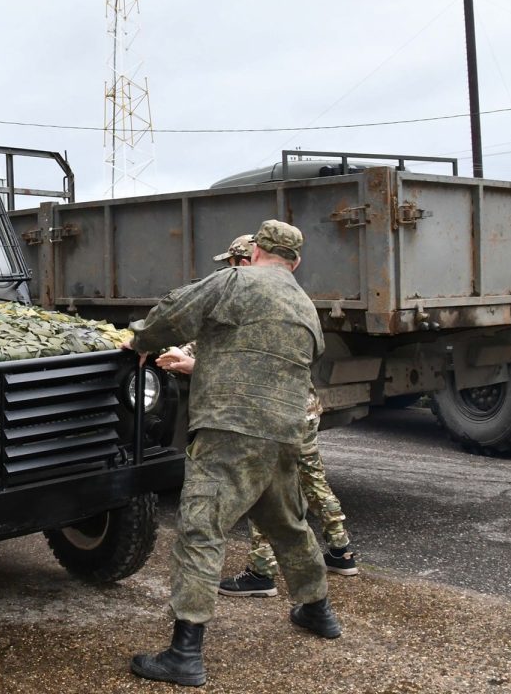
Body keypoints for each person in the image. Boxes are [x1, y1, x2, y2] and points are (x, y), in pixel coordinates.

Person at [127, 220, 342, 687]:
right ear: (295, 262)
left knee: (201, 530)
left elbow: (174, 313)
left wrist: (140, 340)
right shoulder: (305, 304)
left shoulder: (234, 280)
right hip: (284, 432)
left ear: (256, 251)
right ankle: (318, 610)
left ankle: (185, 654)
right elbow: (309, 355)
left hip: (230, 427)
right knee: (288, 524)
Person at [155, 235, 358, 600]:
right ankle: (340, 551)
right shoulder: (287, 297)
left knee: (259, 491)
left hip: (266, 413)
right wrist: (184, 353)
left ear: (247, 260)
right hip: (299, 410)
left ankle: (262, 573)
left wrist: (187, 363)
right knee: (307, 482)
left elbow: (244, 366)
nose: (229, 269)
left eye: (233, 262)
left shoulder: (239, 295)